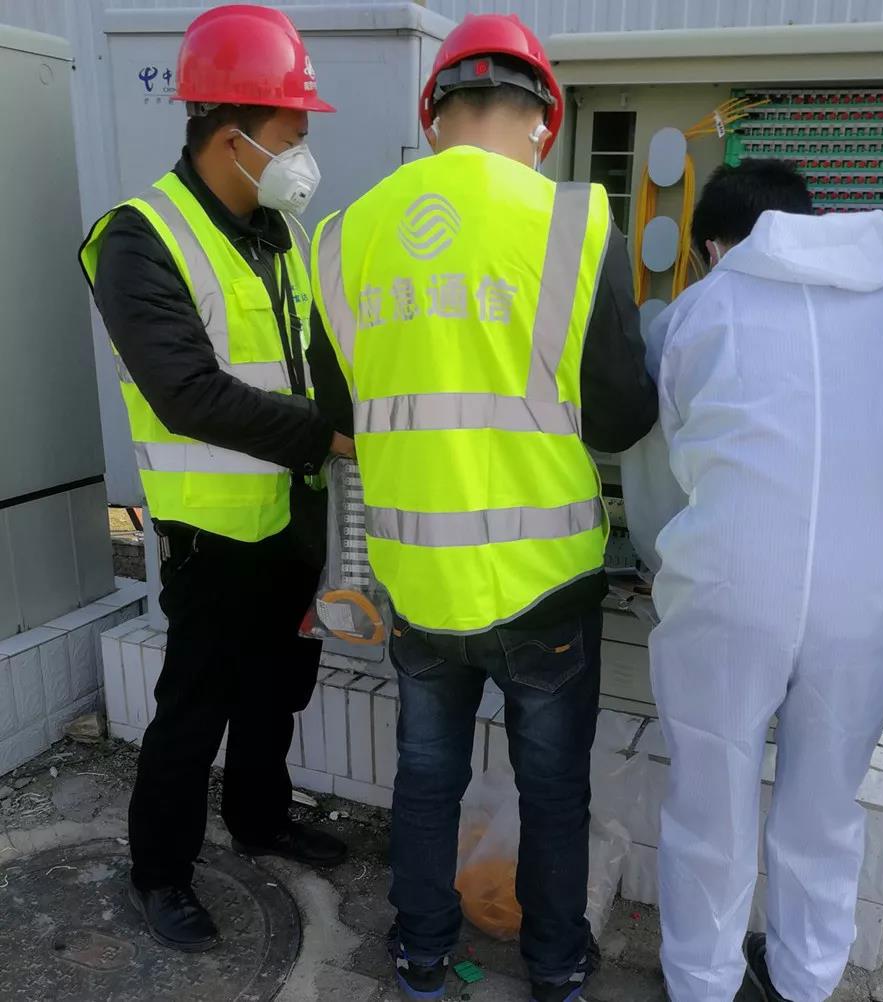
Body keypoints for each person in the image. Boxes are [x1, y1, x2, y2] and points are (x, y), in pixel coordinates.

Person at [307, 13, 657, 1000]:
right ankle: (555, 968)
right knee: (552, 791)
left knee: (426, 780)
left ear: (434, 118)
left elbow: (339, 414)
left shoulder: (342, 236)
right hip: (544, 586)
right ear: (543, 121)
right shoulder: (576, 221)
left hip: (419, 582)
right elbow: (621, 416)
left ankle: (420, 955)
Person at [624, 159, 883, 1002]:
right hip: (868, 594)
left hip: (728, 588)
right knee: (827, 803)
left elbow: (661, 468)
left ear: (712, 247)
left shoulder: (700, 311)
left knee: (711, 802)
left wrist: (668, 562)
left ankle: (703, 983)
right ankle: (804, 978)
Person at [79, 5, 352, 953]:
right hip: (211, 533)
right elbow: (187, 392)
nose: (301, 153)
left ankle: (261, 818)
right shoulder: (140, 237)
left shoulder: (281, 232)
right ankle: (160, 872)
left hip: (292, 518)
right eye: (292, 132)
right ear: (230, 134)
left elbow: (317, 356)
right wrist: (328, 438)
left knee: (277, 688)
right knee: (193, 709)